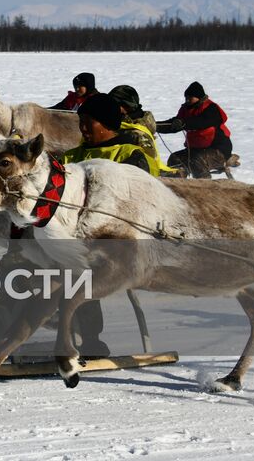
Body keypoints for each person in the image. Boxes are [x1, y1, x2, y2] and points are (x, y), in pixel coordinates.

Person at [54, 93, 162, 359]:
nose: (82, 128)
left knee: (77, 270)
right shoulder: (73, 156)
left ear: (107, 124)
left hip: (119, 240)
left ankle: (91, 340)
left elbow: (136, 204)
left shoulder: (130, 155)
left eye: (88, 122)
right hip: (73, 235)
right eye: (80, 122)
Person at [156, 81, 233, 178]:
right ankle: (177, 182)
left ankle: (204, 183)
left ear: (198, 97)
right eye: (186, 97)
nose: (187, 100)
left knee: (196, 160)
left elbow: (202, 121)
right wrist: (155, 126)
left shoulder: (211, 108)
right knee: (175, 159)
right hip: (196, 149)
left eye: (190, 97)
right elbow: (174, 124)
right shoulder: (186, 109)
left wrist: (184, 123)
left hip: (218, 150)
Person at [107, 84, 167, 169]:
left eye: (113, 104)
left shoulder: (137, 135)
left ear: (126, 106)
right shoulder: (121, 124)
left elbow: (147, 167)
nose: (109, 108)